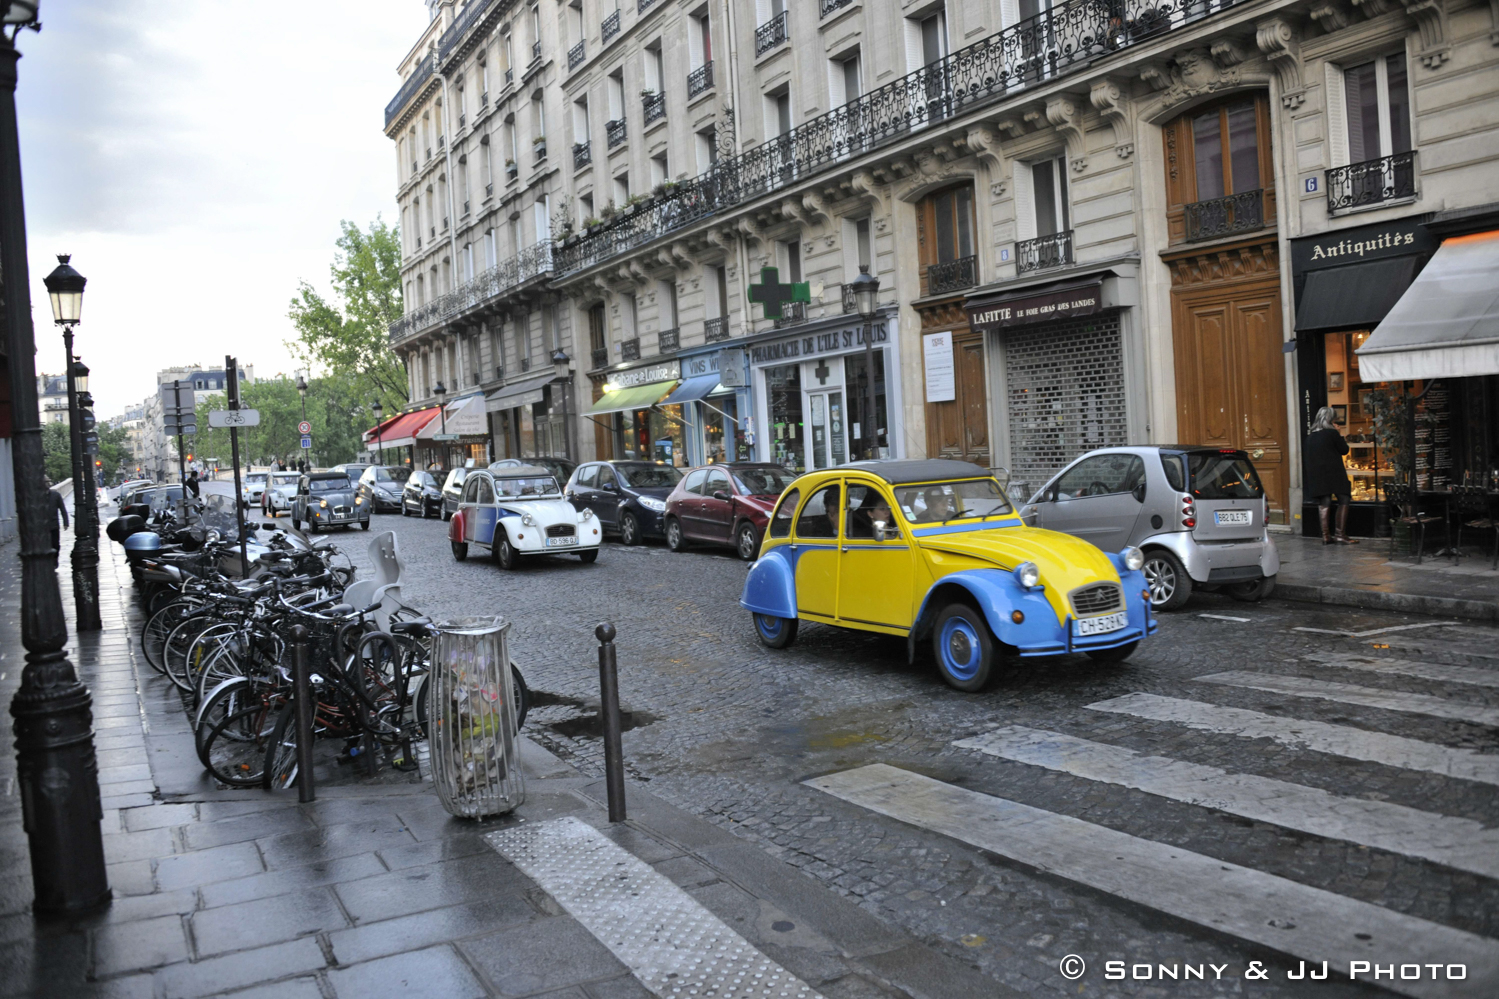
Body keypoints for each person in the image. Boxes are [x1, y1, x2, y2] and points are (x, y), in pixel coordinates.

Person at [1304, 405, 1358, 545]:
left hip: (1317, 475)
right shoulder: (1332, 433)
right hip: (1334, 473)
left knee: (1324, 502)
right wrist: (1339, 433)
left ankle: (1326, 536)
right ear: (1330, 419)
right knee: (1344, 498)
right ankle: (1340, 535)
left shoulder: (1310, 437)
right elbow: (1344, 450)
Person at [45, 476, 68, 558]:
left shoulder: (56, 495)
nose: (46, 484)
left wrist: (66, 522)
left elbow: (62, 509)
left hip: (54, 525)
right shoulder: (37, 497)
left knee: (56, 545)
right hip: (43, 527)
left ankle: (55, 560)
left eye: (47, 482)